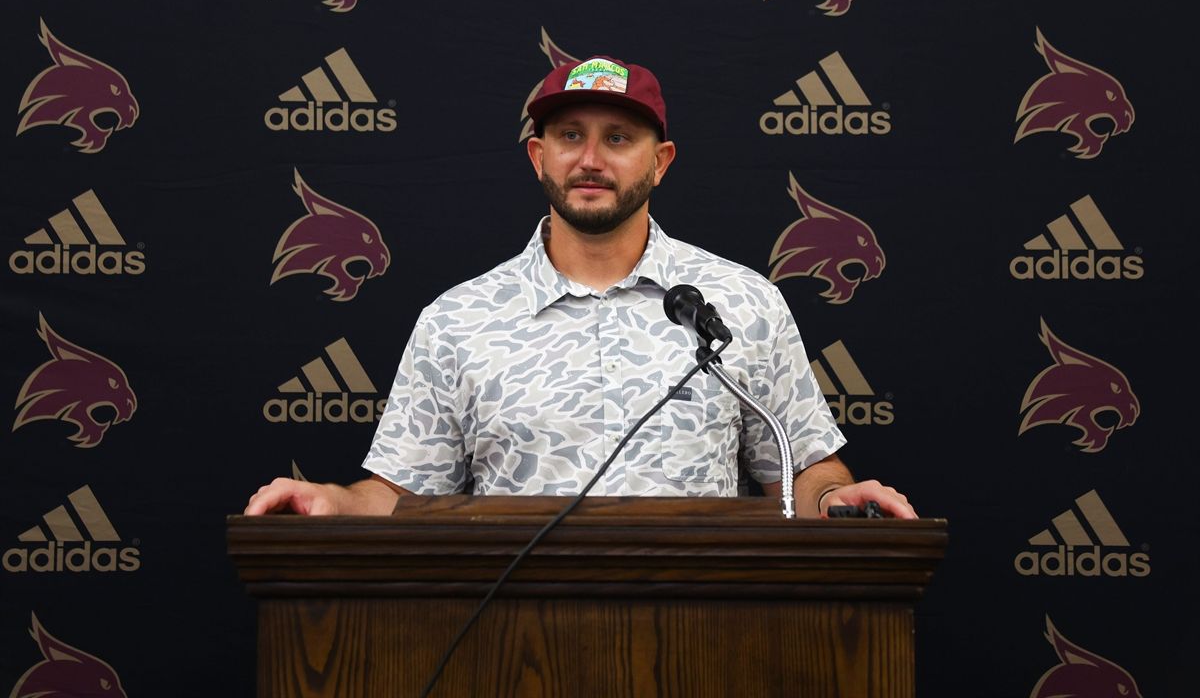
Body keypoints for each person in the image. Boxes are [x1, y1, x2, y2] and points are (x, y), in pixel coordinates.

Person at [246, 56, 916, 520]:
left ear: (660, 162)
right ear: (540, 156)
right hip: (511, 649)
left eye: (618, 138)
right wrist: (335, 501)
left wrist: (836, 499)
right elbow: (397, 494)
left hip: (705, 640)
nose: (591, 160)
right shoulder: (459, 320)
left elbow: (805, 475)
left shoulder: (742, 302)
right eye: (570, 136)